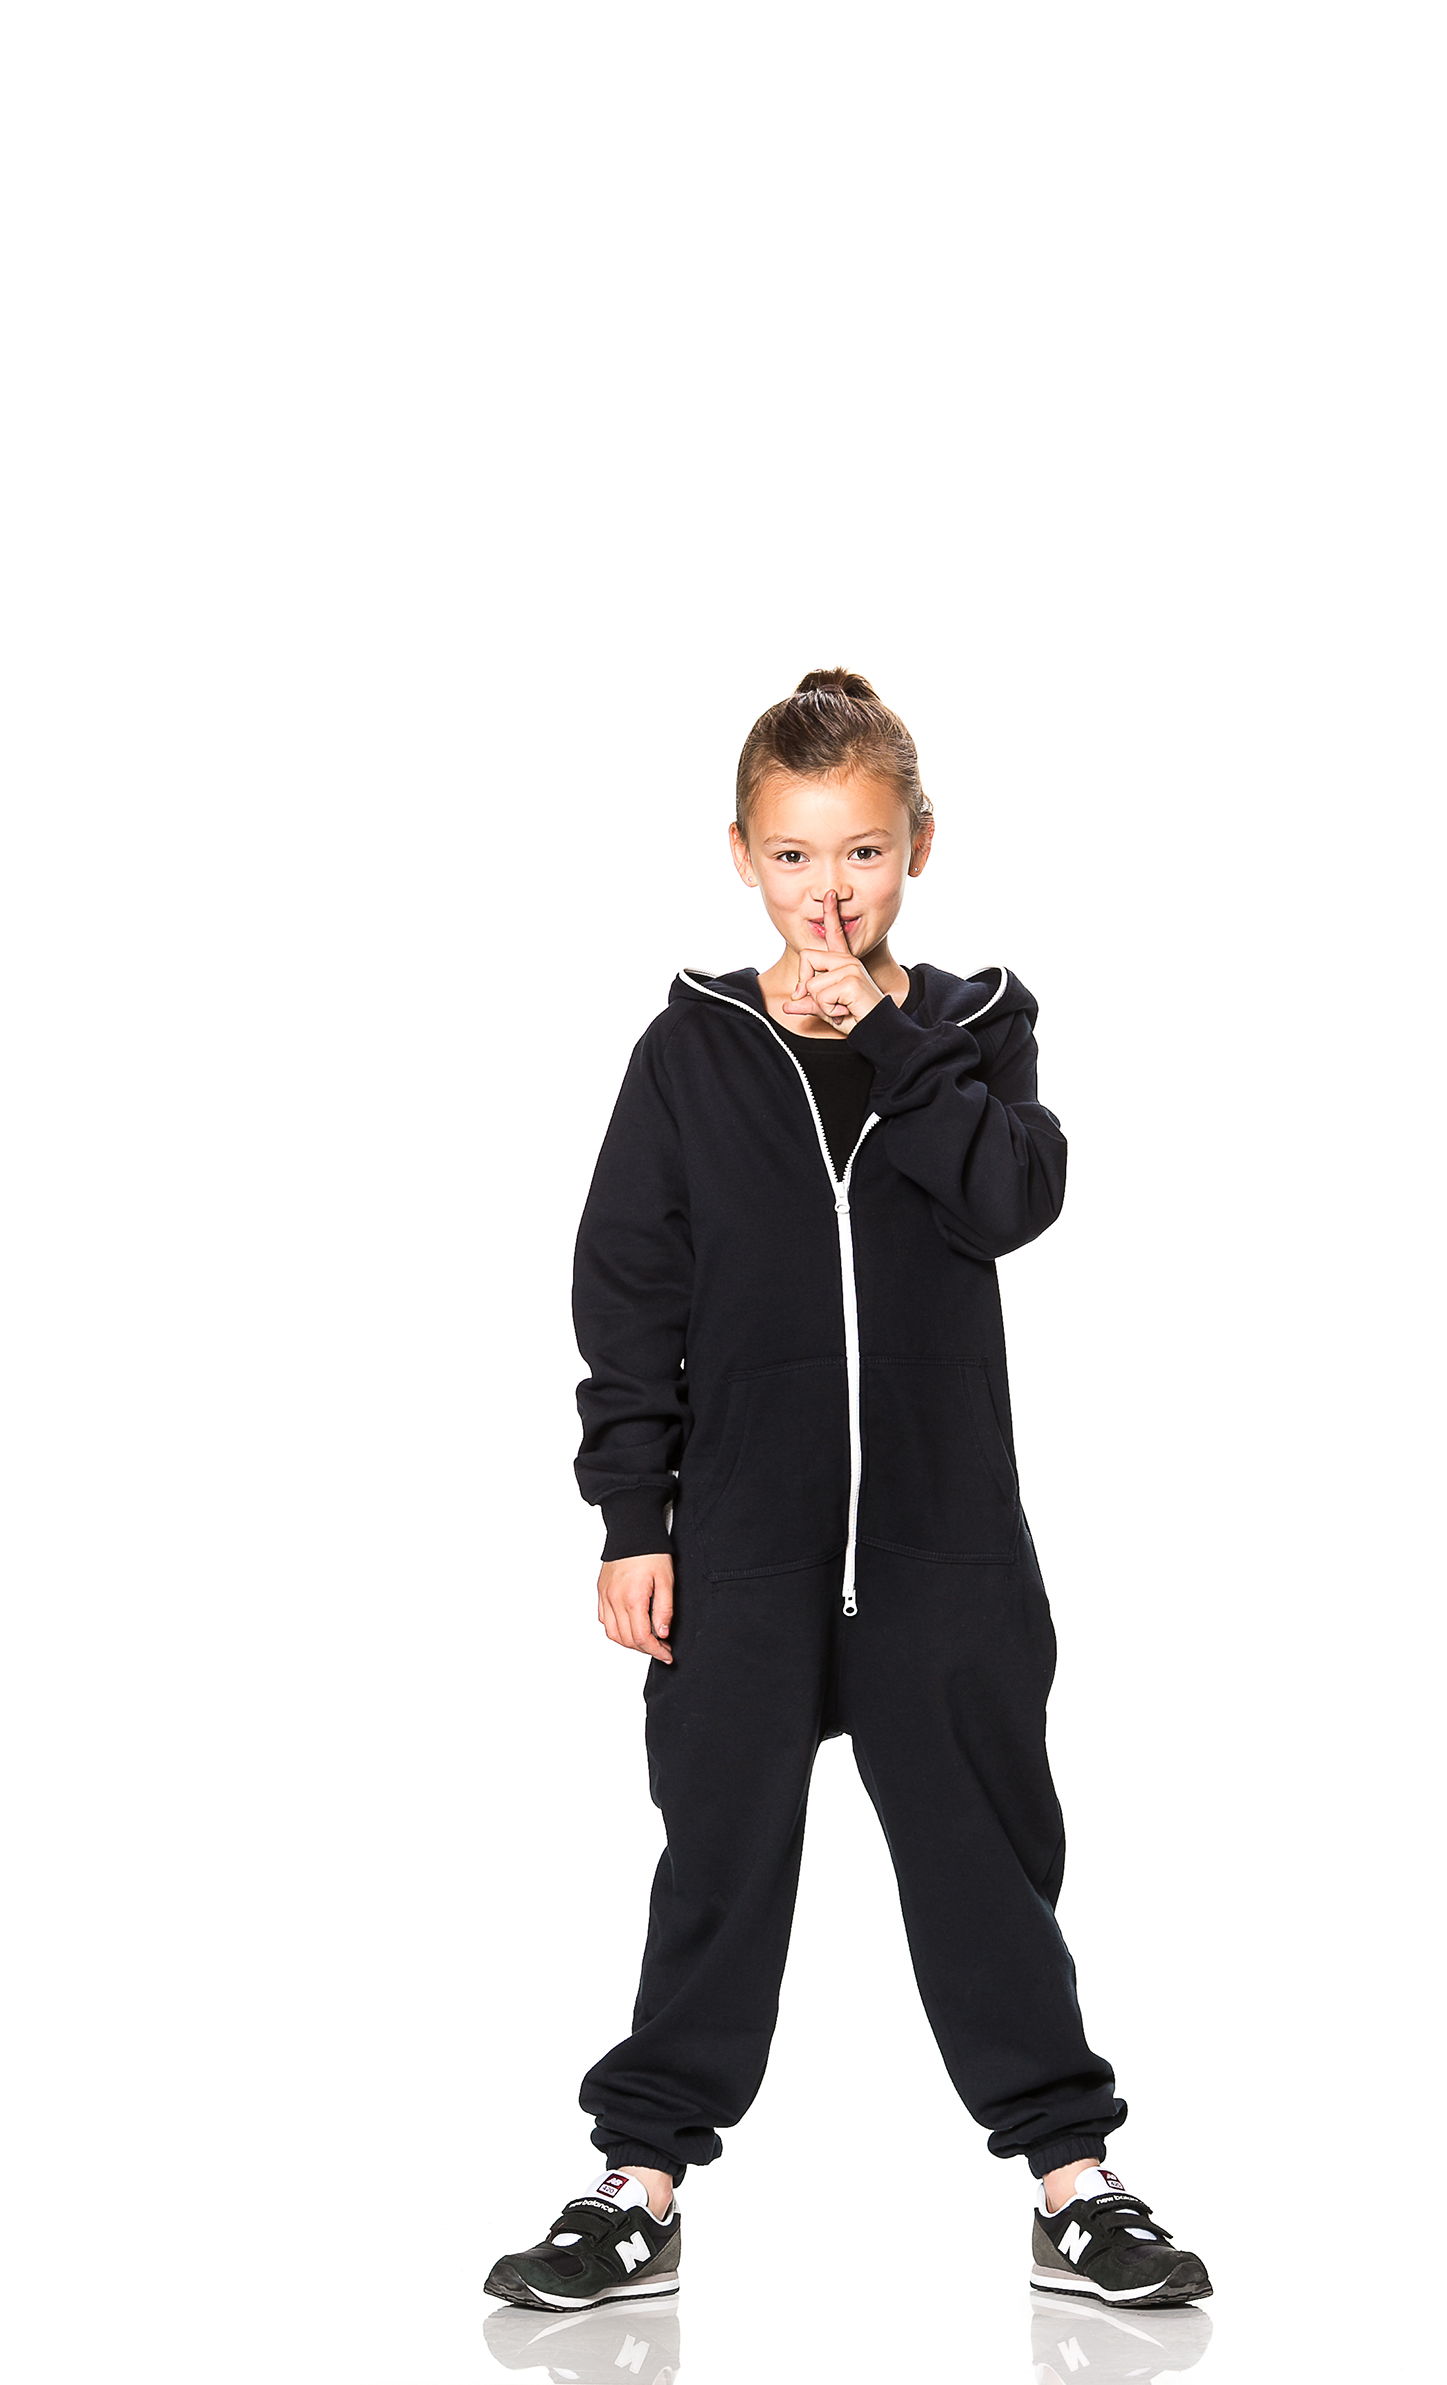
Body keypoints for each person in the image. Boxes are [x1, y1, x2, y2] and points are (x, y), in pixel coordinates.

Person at [484, 672, 1211, 2317]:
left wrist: (885, 1037)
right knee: (718, 1859)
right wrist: (634, 1520)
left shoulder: (971, 1029)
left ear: (920, 848)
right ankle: (639, 2182)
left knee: (985, 1860)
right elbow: (629, 1293)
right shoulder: (690, 1051)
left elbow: (1010, 1198)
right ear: (743, 857)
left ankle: (1072, 2181)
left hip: (943, 1546)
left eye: (864, 852)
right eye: (796, 855)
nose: (831, 891)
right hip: (743, 1544)